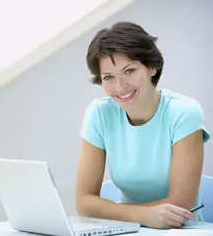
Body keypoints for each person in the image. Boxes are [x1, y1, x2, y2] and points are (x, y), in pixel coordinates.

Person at [75, 21, 210, 229]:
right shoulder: (99, 114)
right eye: (108, 77)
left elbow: (180, 203)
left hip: (180, 230)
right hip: (127, 229)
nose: (120, 86)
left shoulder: (184, 112)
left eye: (129, 71)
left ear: (151, 67)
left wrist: (120, 213)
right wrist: (144, 216)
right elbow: (84, 201)